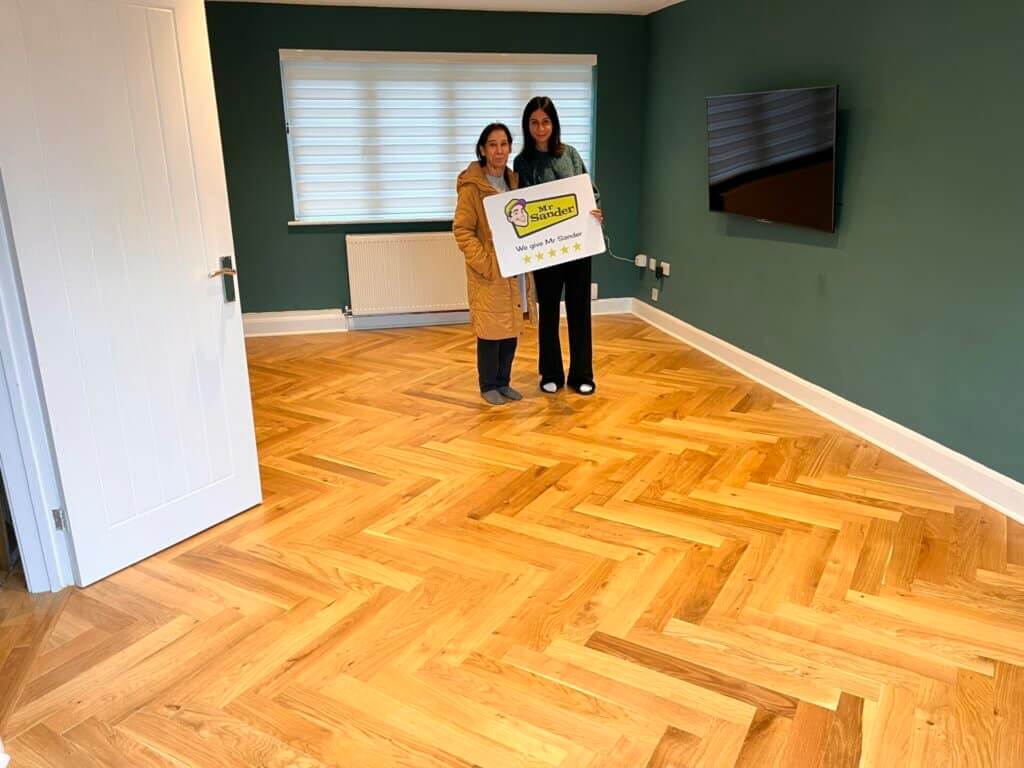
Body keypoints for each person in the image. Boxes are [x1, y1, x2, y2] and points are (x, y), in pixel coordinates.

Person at [513, 96, 604, 396]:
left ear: (554, 124)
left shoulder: (571, 154)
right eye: (535, 122)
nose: (541, 128)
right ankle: (550, 372)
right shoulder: (522, 162)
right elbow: (522, 206)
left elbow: (590, 192)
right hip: (546, 249)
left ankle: (582, 374)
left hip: (578, 247)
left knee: (580, 310)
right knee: (548, 312)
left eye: (546, 121)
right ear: (528, 126)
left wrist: (596, 211)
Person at [453, 123, 537, 406]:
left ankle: (504, 381)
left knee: (510, 328)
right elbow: (462, 230)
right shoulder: (472, 187)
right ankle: (488, 384)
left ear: (510, 148)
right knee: (490, 331)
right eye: (492, 144)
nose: (499, 150)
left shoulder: (515, 182)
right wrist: (486, 263)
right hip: (489, 272)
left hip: (515, 270)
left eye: (504, 144)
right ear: (482, 149)